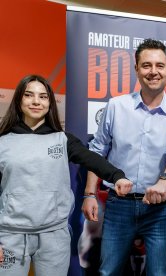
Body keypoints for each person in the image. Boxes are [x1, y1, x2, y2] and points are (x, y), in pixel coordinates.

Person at [0, 75, 132, 276]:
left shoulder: (63, 140)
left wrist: (117, 176)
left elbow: (91, 159)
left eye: (43, 97)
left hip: (54, 235)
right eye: (29, 95)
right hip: (10, 236)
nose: (36, 101)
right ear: (19, 100)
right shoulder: (3, 142)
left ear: (50, 103)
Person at [82, 38, 166, 276]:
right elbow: (97, 151)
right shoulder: (115, 106)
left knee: (160, 274)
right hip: (118, 205)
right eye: (146, 65)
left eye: (159, 65)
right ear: (136, 70)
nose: (153, 71)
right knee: (108, 271)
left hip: (160, 209)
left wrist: (165, 180)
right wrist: (90, 193)